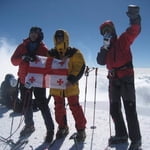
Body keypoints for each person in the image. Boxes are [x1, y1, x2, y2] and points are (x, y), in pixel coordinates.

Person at [96, 5, 142, 150]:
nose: (106, 33)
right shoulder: (105, 47)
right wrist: (104, 48)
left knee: (129, 109)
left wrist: (134, 18)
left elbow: (134, 31)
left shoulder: (122, 39)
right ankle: (121, 134)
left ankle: (136, 140)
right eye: (104, 31)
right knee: (114, 109)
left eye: (108, 30)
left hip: (126, 78)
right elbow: (100, 61)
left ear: (113, 31)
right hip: (113, 79)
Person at [11, 27, 54, 143]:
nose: (33, 35)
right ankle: (29, 125)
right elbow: (13, 61)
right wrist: (23, 58)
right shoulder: (22, 46)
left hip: (39, 81)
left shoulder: (43, 48)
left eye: (36, 33)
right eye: (31, 33)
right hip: (24, 79)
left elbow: (49, 65)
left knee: (43, 104)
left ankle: (50, 130)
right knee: (26, 104)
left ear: (39, 35)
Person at [48, 29, 87, 142]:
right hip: (56, 86)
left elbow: (80, 66)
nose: (59, 39)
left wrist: (71, 79)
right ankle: (62, 127)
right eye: (57, 37)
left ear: (65, 38)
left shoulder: (74, 52)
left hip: (71, 86)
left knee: (75, 107)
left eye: (61, 37)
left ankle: (81, 130)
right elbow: (43, 65)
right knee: (58, 107)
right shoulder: (50, 53)